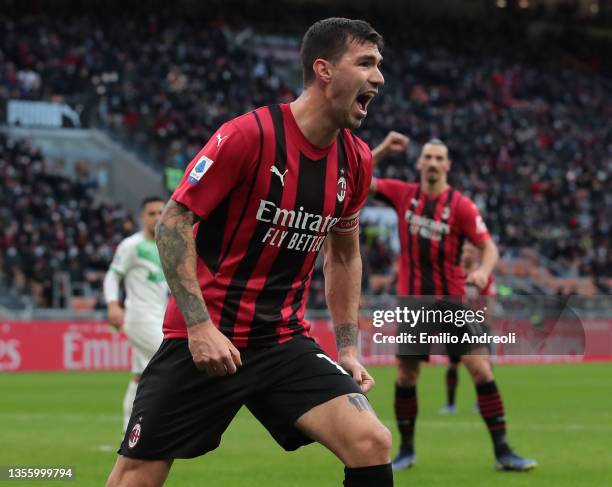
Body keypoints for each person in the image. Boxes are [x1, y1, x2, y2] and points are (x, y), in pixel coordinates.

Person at [107, 18, 394, 487]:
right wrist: (199, 327)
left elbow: (343, 255)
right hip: (205, 338)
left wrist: (347, 347)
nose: (379, 78)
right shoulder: (249, 135)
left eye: (379, 65)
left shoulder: (356, 159)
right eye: (365, 63)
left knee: (371, 441)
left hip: (281, 341)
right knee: (136, 476)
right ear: (323, 70)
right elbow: (174, 222)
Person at [370, 135, 537, 472]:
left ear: (447, 165)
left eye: (439, 158)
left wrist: (484, 271)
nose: (432, 163)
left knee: (480, 369)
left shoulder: (460, 205)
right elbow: (357, 173)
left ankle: (503, 451)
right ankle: (406, 451)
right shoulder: (404, 194)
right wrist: (384, 150)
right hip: (414, 304)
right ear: (419, 163)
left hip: (452, 303)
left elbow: (488, 247)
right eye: (427, 157)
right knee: (406, 377)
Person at [103, 196, 168, 432]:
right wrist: (112, 305)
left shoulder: (166, 245)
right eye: (152, 213)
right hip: (140, 318)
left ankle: (128, 431)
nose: (157, 217)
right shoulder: (131, 245)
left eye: (161, 212)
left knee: (140, 375)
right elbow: (113, 275)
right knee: (172, 363)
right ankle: (164, 425)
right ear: (142, 217)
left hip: (160, 317)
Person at [440, 241, 497, 414]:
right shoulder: (453, 274)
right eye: (464, 251)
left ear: (477, 254)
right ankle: (451, 404)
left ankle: (481, 402)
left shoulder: (482, 275)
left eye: (471, 251)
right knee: (453, 364)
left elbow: (490, 300)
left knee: (484, 364)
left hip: (479, 326)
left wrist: (485, 322)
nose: (467, 254)